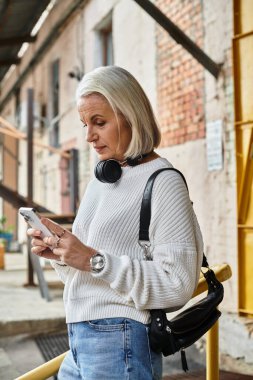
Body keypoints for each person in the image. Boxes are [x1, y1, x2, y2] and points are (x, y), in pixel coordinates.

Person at [27, 66, 203, 380]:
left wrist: (93, 260)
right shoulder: (104, 178)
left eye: (100, 122)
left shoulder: (163, 182)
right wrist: (62, 256)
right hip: (81, 338)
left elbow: (177, 284)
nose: (89, 136)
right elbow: (93, 276)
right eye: (85, 124)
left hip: (119, 338)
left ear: (131, 116)